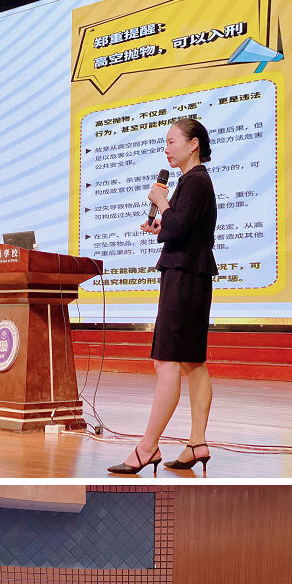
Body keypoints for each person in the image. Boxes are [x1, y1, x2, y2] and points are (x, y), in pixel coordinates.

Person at [108, 118, 217, 474]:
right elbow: (181, 228)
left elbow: (179, 225)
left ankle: (147, 447)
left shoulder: (195, 181)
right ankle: (197, 442)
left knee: (166, 362)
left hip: (185, 277)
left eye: (172, 141)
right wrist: (162, 223)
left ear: (193, 144)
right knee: (192, 363)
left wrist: (161, 201)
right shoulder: (193, 181)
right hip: (192, 275)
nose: (166, 149)